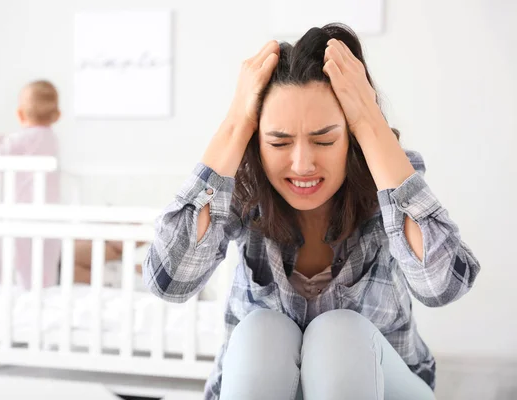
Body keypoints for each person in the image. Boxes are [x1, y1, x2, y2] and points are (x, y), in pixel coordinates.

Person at [143, 24, 480, 400]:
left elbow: (443, 285)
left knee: (338, 334)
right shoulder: (246, 189)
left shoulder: (386, 178)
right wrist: (237, 121)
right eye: (279, 141)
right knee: (261, 332)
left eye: (324, 140)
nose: (302, 164)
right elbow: (168, 280)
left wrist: (369, 121)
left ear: (350, 137)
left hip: (387, 387)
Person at [0, 80, 61, 289]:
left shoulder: (26, 137)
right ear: (57, 115)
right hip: (49, 212)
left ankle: (26, 289)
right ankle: (45, 289)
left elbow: (2, 149)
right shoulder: (51, 137)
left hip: (22, 210)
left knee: (21, 258)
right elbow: (9, 141)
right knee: (46, 257)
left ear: (20, 114)